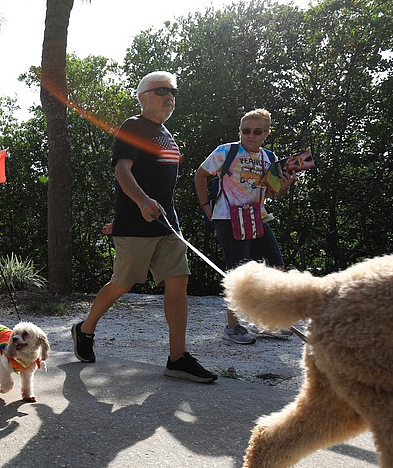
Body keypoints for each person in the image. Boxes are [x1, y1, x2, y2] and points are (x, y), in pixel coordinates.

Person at [71, 71, 217, 384]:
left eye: (173, 92)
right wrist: (141, 203)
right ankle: (85, 329)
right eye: (161, 91)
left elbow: (163, 183)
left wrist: (159, 208)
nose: (169, 97)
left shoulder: (167, 135)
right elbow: (122, 171)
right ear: (143, 97)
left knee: (178, 282)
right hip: (136, 224)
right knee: (122, 284)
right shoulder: (133, 126)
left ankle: (178, 357)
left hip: (168, 225)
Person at [193, 108, 295, 344]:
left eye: (257, 131)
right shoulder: (226, 151)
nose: (250, 135)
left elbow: (271, 192)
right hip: (229, 217)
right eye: (246, 130)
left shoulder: (268, 157)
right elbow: (200, 174)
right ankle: (232, 327)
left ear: (266, 133)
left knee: (276, 266)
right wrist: (206, 207)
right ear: (240, 130)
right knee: (238, 272)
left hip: (257, 216)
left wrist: (285, 185)